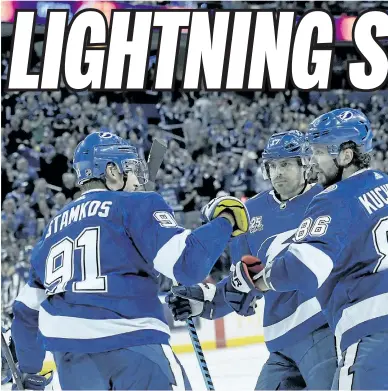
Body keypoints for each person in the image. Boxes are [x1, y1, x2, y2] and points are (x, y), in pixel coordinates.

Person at [227, 109, 388, 390]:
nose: (314, 163)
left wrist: (257, 281)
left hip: (375, 335)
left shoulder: (333, 198)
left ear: (346, 155)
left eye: (320, 152)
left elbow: (302, 268)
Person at [10, 132, 249, 390]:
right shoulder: (137, 204)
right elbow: (188, 264)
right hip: (135, 351)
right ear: (112, 171)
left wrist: (29, 371)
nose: (137, 180)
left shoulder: (51, 232)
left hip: (72, 365)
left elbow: (25, 311)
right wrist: (226, 219)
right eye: (132, 169)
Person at [167, 130, 339, 390]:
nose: (277, 172)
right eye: (272, 166)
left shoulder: (328, 200)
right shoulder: (249, 213)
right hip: (280, 344)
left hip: (325, 330)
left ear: (305, 164)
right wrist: (203, 301)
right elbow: (243, 281)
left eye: (286, 164)